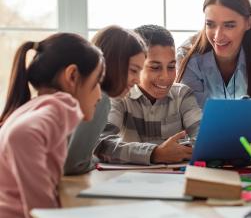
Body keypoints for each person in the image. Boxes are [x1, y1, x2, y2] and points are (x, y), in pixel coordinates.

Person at [0, 33, 104, 217]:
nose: (100, 95)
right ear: (72, 76)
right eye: (96, 82)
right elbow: (21, 135)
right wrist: (46, 211)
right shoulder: (60, 106)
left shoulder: (35, 106)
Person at [95, 25, 201, 165]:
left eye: (171, 67)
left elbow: (203, 140)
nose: (165, 76)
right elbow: (102, 144)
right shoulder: (119, 96)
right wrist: (155, 154)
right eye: (155, 67)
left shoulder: (183, 95)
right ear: (137, 65)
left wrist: (179, 150)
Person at [176, 0, 251, 107]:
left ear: (248, 23)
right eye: (210, 24)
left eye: (229, 25)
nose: (218, 36)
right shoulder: (188, 56)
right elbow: (193, 116)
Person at [64, 25, 147, 175]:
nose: (138, 81)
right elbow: (75, 164)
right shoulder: (99, 100)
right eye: (134, 70)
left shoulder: (78, 92)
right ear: (113, 64)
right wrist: (95, 160)